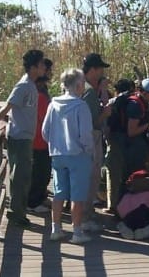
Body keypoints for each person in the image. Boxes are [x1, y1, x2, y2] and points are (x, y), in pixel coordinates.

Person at [0, 49, 46, 227]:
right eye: (41, 64)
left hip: (26, 137)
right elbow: (8, 106)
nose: (43, 67)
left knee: (24, 176)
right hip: (19, 138)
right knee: (20, 177)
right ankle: (17, 214)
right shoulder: (24, 85)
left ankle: (18, 211)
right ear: (33, 67)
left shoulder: (31, 85)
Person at [42, 68, 95, 244]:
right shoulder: (81, 106)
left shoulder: (53, 104)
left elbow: (45, 131)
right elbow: (85, 134)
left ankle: (56, 229)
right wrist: (89, 150)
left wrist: (54, 143)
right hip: (78, 155)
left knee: (59, 193)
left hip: (57, 154)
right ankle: (77, 232)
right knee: (77, 195)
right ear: (79, 85)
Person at [80, 53, 112, 232]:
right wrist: (105, 113)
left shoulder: (78, 86)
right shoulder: (90, 91)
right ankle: (85, 217)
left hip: (79, 140)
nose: (101, 73)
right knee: (91, 177)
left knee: (83, 178)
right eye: (100, 69)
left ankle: (84, 214)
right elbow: (93, 122)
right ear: (92, 69)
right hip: (91, 138)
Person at [103, 78, 135, 213]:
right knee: (129, 172)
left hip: (116, 138)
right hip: (132, 141)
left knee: (113, 173)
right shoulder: (134, 102)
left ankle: (113, 205)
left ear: (116, 90)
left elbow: (107, 123)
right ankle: (128, 205)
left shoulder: (114, 102)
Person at [123, 77, 149, 175]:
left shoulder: (144, 103)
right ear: (145, 93)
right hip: (132, 149)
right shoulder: (135, 105)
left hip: (139, 146)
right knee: (135, 178)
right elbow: (131, 132)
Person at [27, 58, 54, 213]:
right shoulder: (38, 92)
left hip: (41, 138)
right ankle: (33, 202)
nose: (50, 73)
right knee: (38, 171)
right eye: (48, 70)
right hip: (38, 138)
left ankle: (40, 197)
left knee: (43, 170)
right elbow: (43, 116)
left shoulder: (41, 90)